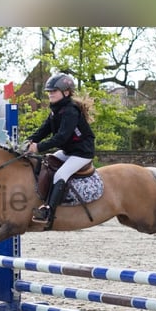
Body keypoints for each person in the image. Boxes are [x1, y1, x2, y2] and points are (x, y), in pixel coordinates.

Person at [23, 72, 96, 227]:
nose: (50, 94)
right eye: (49, 92)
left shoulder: (71, 111)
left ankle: (49, 212)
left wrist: (38, 147)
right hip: (68, 151)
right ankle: (40, 199)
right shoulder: (56, 110)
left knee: (61, 174)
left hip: (81, 153)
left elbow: (61, 137)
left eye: (53, 91)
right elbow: (44, 129)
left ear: (66, 92)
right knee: (45, 164)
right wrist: (30, 140)